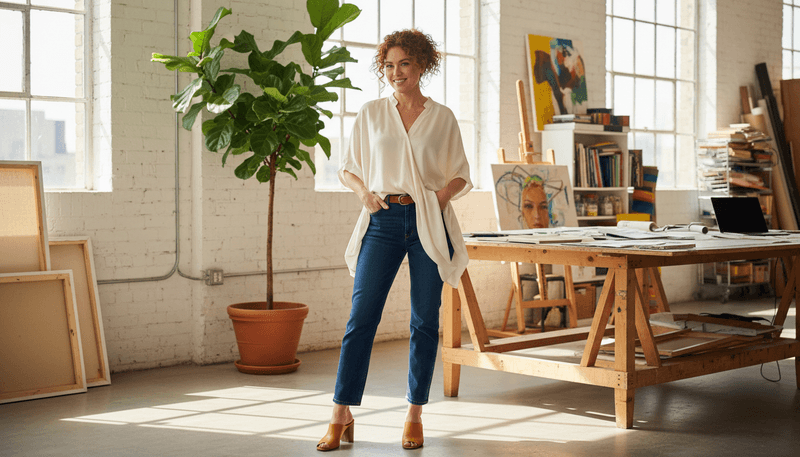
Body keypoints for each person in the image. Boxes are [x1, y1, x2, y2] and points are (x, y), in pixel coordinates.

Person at [316, 29, 472, 451]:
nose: (395, 72)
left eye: (404, 63)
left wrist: (437, 199)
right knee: (361, 319)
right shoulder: (371, 113)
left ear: (422, 64)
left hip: (427, 221)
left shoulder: (442, 118)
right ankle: (340, 411)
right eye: (388, 65)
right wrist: (364, 193)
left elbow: (460, 173)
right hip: (382, 219)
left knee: (424, 319)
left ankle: (414, 412)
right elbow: (348, 168)